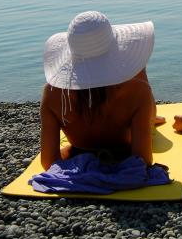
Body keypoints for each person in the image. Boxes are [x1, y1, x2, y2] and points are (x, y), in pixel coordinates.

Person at [39, 11, 164, 170]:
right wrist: (137, 68)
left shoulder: (52, 93)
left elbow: (48, 163)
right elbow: (143, 161)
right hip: (123, 148)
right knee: (143, 96)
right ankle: (147, 119)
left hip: (79, 147)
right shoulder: (138, 91)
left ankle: (147, 119)